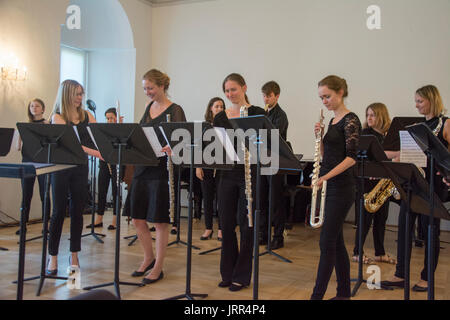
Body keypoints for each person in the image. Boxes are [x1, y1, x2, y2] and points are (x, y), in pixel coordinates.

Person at [381, 85, 450, 292]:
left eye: (420, 101)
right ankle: (400, 274)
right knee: (403, 228)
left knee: (431, 232)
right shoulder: (415, 125)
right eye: (416, 101)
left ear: (431, 100)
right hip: (413, 183)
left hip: (433, 187)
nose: (416, 105)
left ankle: (427, 278)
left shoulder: (446, 124)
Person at [130, 69, 186, 285]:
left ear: (162, 86)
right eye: (145, 88)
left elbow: (181, 139)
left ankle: (158, 267)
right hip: (143, 167)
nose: (148, 92)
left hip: (162, 169)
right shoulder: (147, 107)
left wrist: (171, 147)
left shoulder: (176, 109)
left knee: (160, 221)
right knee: (137, 218)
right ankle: (148, 257)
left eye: (150, 88)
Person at [310, 75, 361, 300]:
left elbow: (351, 158)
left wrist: (325, 177)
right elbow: (326, 156)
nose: (325, 101)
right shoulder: (331, 122)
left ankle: (316, 296)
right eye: (322, 97)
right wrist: (320, 138)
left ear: (340, 92)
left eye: (328, 96)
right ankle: (343, 294)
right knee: (337, 242)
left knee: (326, 241)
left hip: (342, 187)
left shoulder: (351, 120)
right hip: (329, 184)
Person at [213, 73, 265, 292]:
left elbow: (265, 146)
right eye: (226, 90)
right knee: (225, 224)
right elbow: (216, 148)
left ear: (244, 88)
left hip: (249, 174)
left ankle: (242, 276)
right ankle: (227, 272)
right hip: (226, 174)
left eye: (233, 89)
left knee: (247, 225)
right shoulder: (220, 117)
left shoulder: (258, 113)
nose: (229, 94)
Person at [47, 80, 102, 274]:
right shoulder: (58, 117)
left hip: (80, 168)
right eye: (76, 94)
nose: (80, 98)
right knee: (59, 211)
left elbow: (98, 137)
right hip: (61, 168)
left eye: (81, 94)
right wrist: (97, 153)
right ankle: (52, 256)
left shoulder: (87, 115)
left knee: (78, 211)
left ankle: (74, 255)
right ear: (67, 95)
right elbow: (74, 144)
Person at [351, 103, 396, 265]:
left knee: (381, 219)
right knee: (365, 220)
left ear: (381, 116)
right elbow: (361, 159)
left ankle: (380, 253)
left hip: (383, 184)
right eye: (367, 114)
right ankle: (357, 252)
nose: (369, 118)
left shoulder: (387, 137)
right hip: (366, 184)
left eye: (373, 115)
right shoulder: (365, 135)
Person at [259, 81, 289, 249]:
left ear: (276, 96)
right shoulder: (263, 113)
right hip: (263, 160)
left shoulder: (280, 115)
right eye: (264, 95)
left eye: (269, 96)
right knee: (262, 199)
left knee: (275, 201)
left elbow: (273, 138)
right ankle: (263, 234)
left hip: (276, 161)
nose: (266, 99)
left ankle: (278, 236)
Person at [15, 98, 50, 235]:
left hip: (43, 162)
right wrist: (19, 134)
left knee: (44, 194)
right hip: (27, 162)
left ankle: (45, 225)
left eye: (37, 106)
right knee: (26, 194)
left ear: (42, 109)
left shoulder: (48, 124)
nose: (34, 108)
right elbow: (18, 147)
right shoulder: (24, 125)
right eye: (32, 106)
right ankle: (23, 225)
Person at [86, 107, 123, 230]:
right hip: (104, 162)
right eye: (107, 118)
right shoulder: (103, 131)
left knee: (115, 191)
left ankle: (115, 220)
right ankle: (99, 219)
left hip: (116, 163)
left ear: (116, 118)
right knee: (101, 190)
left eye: (111, 118)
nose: (109, 120)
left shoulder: (120, 130)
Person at [196, 97, 225, 241]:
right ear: (211, 109)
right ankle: (208, 228)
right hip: (206, 167)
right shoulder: (204, 126)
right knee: (207, 198)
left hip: (221, 168)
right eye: (217, 106)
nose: (219, 109)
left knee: (222, 200)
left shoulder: (226, 126)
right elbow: (198, 148)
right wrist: (198, 167)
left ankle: (221, 229)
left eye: (221, 106)